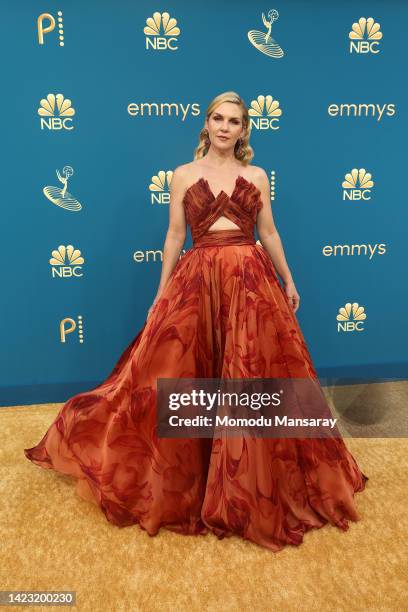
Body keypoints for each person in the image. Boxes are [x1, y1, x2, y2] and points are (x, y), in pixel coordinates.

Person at [24, 91, 368, 552]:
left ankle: (253, 481)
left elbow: (268, 232)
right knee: (183, 374)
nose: (225, 127)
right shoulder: (184, 175)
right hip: (199, 278)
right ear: (206, 124)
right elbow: (174, 235)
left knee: (252, 377)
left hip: (250, 280)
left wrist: (289, 278)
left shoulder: (257, 175)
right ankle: (196, 478)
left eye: (235, 121)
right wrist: (162, 291)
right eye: (218, 119)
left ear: (245, 130)